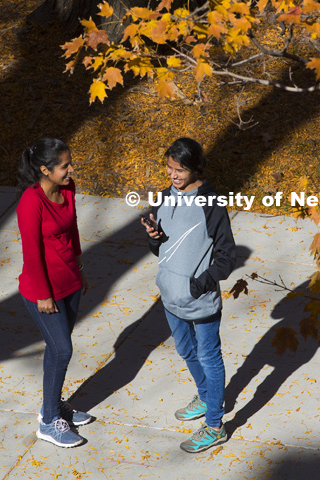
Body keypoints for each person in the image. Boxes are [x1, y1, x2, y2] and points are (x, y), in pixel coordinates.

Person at [142, 137, 236, 453]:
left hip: (200, 298)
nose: (173, 175)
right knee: (185, 349)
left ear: (195, 168)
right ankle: (207, 395)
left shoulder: (210, 203)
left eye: (179, 169)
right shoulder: (166, 197)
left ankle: (215, 425)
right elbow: (163, 247)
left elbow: (227, 256)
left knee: (209, 355)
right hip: (170, 295)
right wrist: (154, 238)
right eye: (169, 167)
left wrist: (200, 284)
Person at [16, 137, 93, 448]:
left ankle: (53, 406)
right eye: (64, 166)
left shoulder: (68, 189)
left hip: (70, 282)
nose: (71, 169)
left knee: (55, 348)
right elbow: (32, 252)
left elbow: (72, 229)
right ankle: (48, 422)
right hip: (43, 291)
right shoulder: (31, 202)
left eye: (70, 162)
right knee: (62, 350)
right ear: (45, 170)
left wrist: (79, 266)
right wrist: (43, 294)